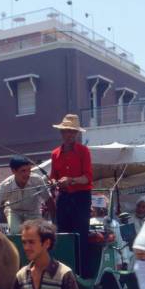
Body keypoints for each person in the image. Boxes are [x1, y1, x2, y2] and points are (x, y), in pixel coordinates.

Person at [50, 114, 93, 275]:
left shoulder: (83, 151)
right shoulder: (55, 154)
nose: (69, 135)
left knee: (80, 234)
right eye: (66, 131)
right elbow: (54, 175)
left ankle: (82, 272)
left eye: (72, 132)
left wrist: (71, 180)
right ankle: (64, 272)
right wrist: (53, 182)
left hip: (81, 197)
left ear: (76, 134)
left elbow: (87, 177)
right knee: (62, 234)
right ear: (61, 133)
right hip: (64, 197)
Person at [0, 156, 54, 234]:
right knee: (15, 232)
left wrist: (55, 223)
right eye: (23, 171)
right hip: (14, 212)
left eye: (29, 170)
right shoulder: (5, 185)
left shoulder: (37, 180)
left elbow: (49, 201)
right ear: (13, 171)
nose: (27, 174)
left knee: (36, 233)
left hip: (33, 212)